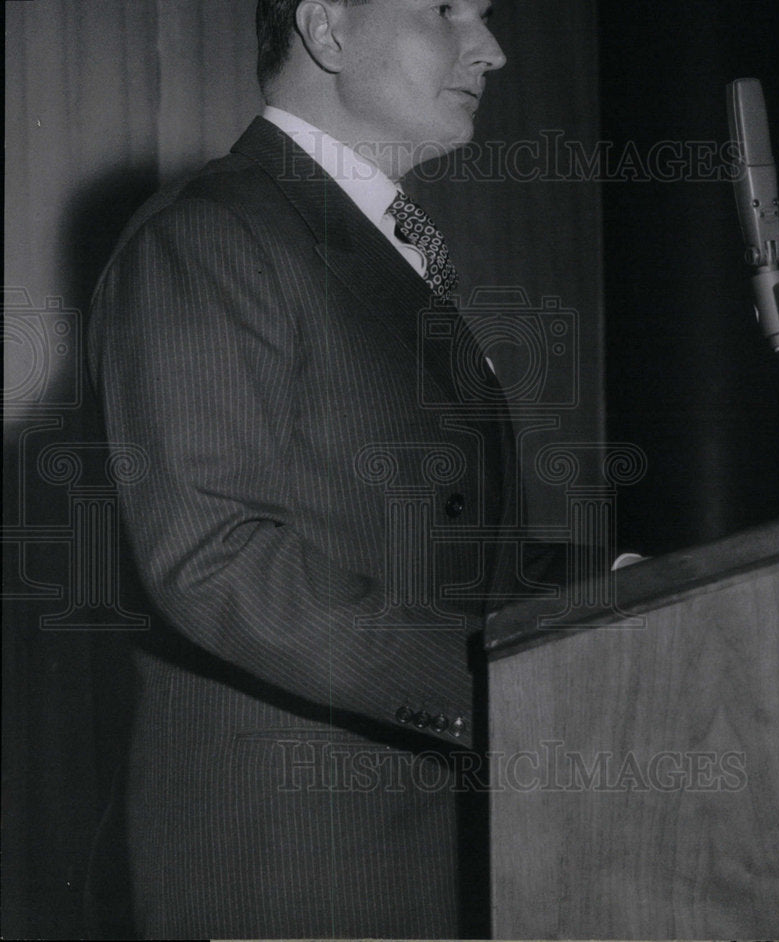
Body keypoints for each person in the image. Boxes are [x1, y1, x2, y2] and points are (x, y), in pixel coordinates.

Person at [87, 0, 514, 937]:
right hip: (293, 867)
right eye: (447, 10)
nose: (491, 49)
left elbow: (426, 542)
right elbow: (213, 558)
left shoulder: (377, 243)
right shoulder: (209, 235)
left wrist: (594, 600)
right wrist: (504, 685)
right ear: (326, 28)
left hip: (414, 842)